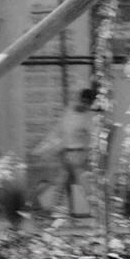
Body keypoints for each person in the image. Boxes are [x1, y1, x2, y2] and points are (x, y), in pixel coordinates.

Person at [33, 88, 95, 217]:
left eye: (87, 103)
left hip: (80, 154)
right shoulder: (69, 113)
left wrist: (88, 154)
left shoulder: (89, 117)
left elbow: (92, 137)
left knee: (80, 183)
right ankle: (56, 210)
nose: (84, 104)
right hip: (67, 153)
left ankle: (93, 211)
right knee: (64, 183)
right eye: (83, 101)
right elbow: (58, 132)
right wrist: (44, 149)